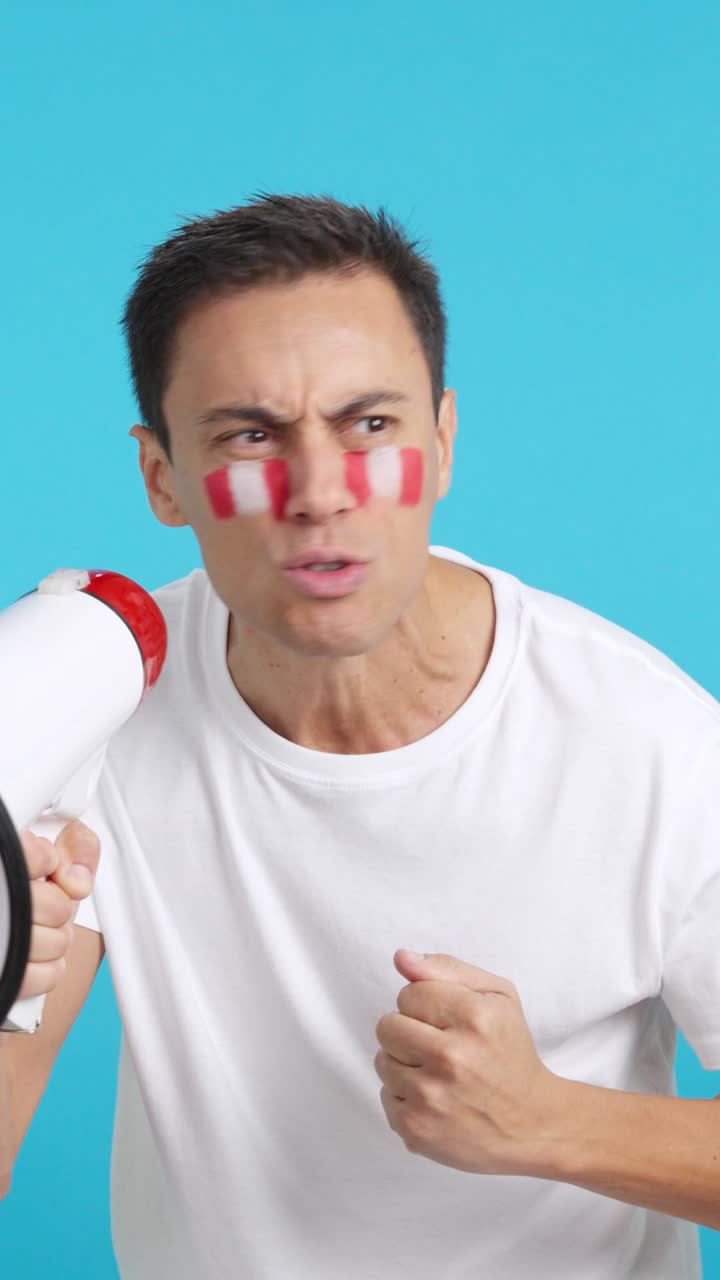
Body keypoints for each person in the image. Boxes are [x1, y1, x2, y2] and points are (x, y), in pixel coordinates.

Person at [2, 194, 719, 1279]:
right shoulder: (98, 702)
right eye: (252, 433)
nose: (321, 492)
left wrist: (550, 1120)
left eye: (370, 424)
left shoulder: (648, 740)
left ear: (441, 441)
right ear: (163, 477)